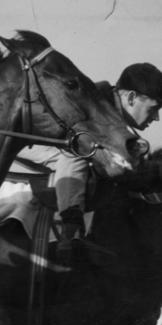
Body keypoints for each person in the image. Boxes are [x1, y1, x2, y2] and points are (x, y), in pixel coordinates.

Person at [17, 62, 162, 260]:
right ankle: (70, 229)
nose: (157, 118)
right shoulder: (95, 105)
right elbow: (84, 151)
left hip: (57, 141)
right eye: (154, 108)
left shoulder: (110, 109)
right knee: (82, 152)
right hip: (28, 144)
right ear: (131, 97)